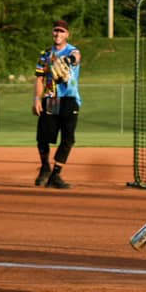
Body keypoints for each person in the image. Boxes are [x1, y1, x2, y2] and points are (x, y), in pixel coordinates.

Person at [32, 19, 82, 189]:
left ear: (67, 34)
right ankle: (45, 168)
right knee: (43, 137)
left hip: (69, 99)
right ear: (52, 33)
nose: (58, 34)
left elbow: (76, 57)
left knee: (68, 138)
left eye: (61, 31)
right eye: (56, 31)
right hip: (51, 99)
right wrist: (37, 99)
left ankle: (56, 174)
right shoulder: (45, 55)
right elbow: (39, 78)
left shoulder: (72, 50)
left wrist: (69, 60)